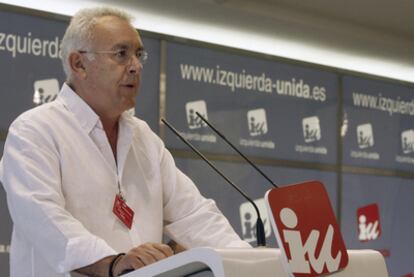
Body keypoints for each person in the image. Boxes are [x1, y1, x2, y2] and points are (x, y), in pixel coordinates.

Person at [0, 7, 250, 277]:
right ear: (78, 64)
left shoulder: (145, 139)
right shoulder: (35, 131)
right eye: (121, 54)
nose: (136, 66)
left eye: (139, 54)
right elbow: (43, 218)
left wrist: (249, 262)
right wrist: (112, 262)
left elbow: (194, 215)